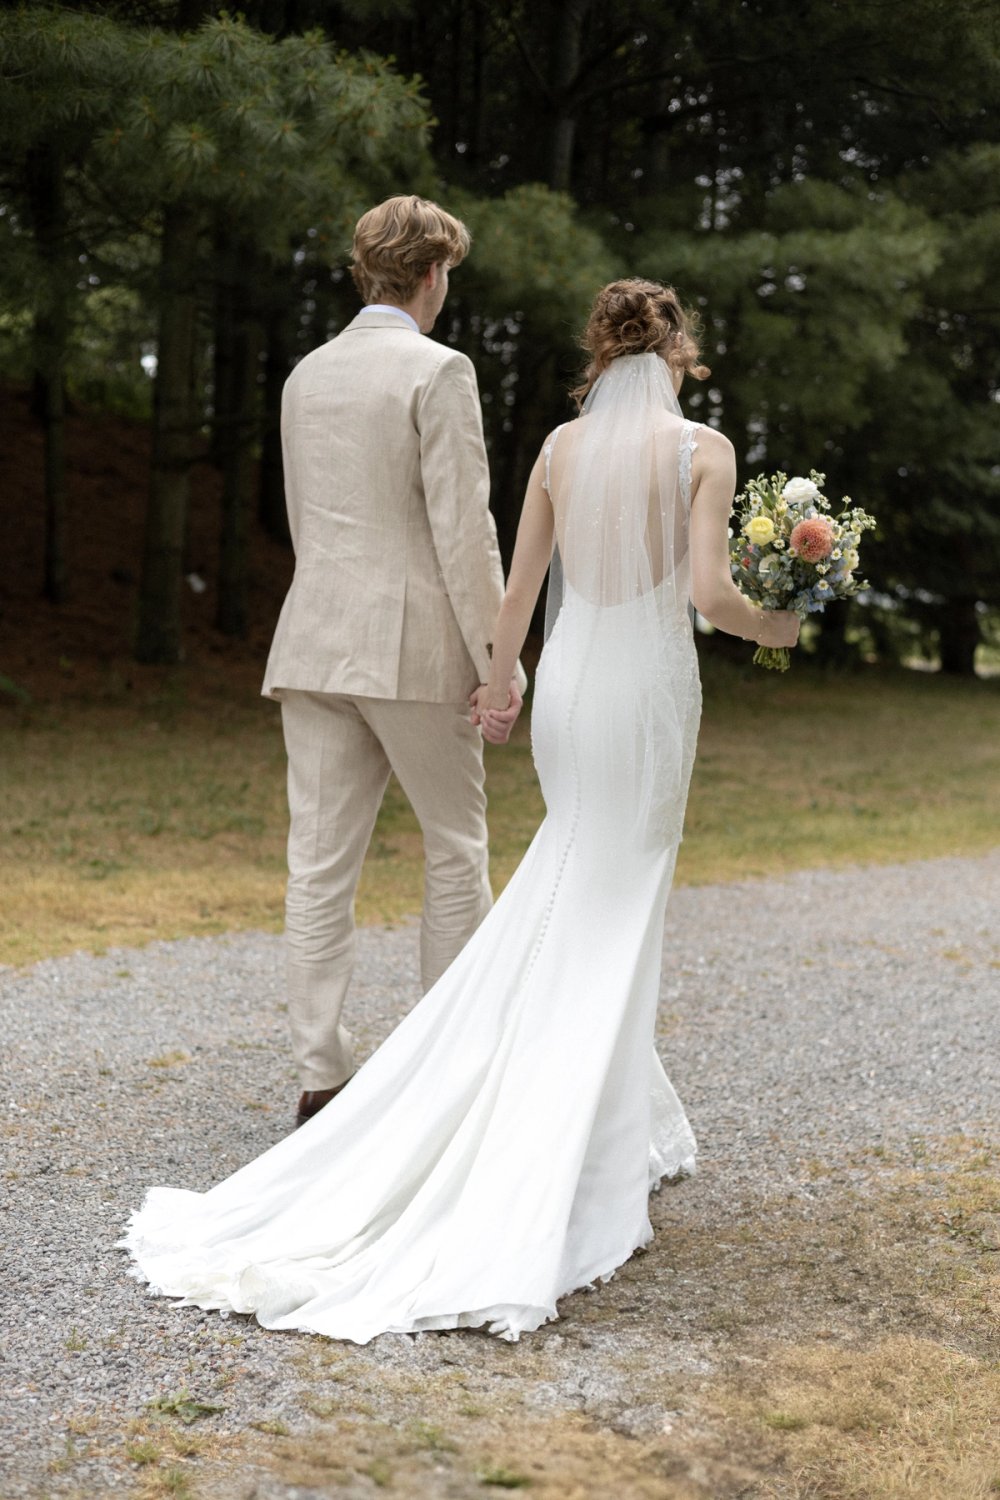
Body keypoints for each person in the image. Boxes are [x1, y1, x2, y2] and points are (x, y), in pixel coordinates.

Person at [122, 279, 799, 1343]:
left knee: (569, 878)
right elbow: (711, 601)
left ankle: (595, 1103)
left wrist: (499, 683)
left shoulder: (558, 451)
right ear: (677, 353)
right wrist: (785, 623)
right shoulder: (701, 450)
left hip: (572, 687)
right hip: (648, 691)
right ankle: (572, 1126)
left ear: (599, 354)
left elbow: (517, 598)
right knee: (617, 896)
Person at [260, 195, 524, 1127]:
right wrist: (499, 657)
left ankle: (320, 1078)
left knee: (318, 865)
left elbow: (308, 520)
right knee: (455, 848)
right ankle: (444, 1067)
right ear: (427, 274)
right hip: (413, 649)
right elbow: (463, 530)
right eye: (447, 272)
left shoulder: (305, 375)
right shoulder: (439, 370)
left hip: (315, 638)